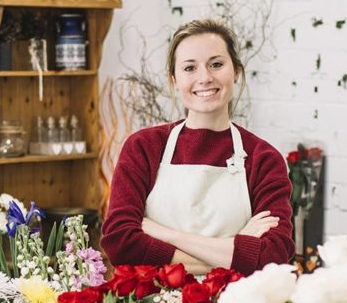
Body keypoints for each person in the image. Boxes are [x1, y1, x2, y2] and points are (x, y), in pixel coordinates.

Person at [101, 19, 294, 276]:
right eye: (190, 68)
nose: (205, 78)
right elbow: (121, 244)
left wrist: (166, 234)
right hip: (152, 301)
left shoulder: (264, 159)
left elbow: (273, 256)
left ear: (236, 71)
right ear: (174, 80)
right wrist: (236, 250)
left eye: (216, 64)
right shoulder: (143, 147)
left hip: (234, 302)